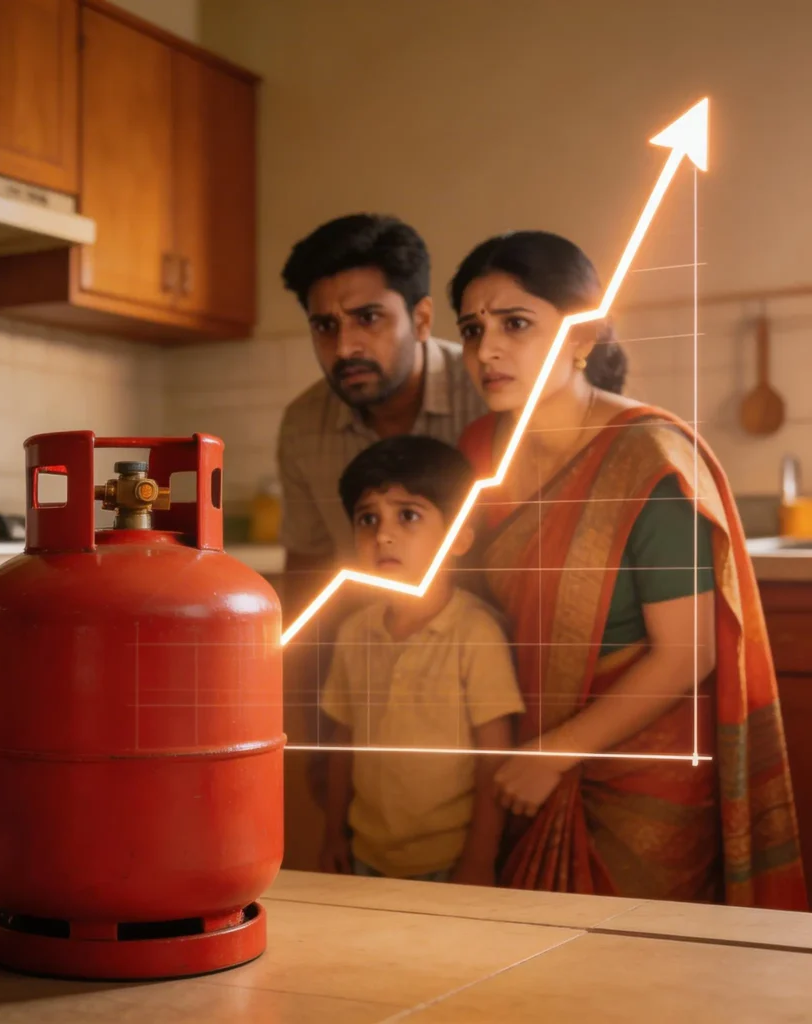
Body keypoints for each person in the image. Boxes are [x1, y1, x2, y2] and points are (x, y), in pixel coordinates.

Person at [449, 229, 807, 909]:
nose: (486, 350)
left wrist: (554, 754)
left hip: (635, 775)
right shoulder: (477, 454)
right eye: (472, 330)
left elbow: (688, 651)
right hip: (513, 761)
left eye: (515, 324)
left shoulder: (647, 460)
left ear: (583, 336)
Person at [277, 214, 486, 757]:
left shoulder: (486, 395)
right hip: (373, 676)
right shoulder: (303, 425)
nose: (345, 347)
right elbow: (307, 576)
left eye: (367, 318)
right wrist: (312, 724)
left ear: (421, 318)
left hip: (491, 665)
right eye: (325, 326)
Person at [318, 436, 524, 884]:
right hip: (365, 854)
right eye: (367, 518)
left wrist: (479, 858)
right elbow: (342, 742)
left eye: (408, 515)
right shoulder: (354, 633)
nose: (383, 535)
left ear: (460, 536)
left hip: (448, 861)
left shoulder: (475, 634)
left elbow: (493, 759)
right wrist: (333, 833)